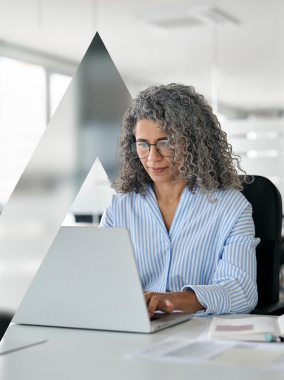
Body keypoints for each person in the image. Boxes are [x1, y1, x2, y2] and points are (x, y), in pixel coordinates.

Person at [100, 83, 259, 317]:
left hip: (200, 335)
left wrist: (170, 300)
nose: (152, 157)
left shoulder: (232, 208)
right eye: (143, 144)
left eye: (166, 143)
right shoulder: (119, 207)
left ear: (193, 143)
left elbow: (241, 292)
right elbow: (98, 278)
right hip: (134, 330)